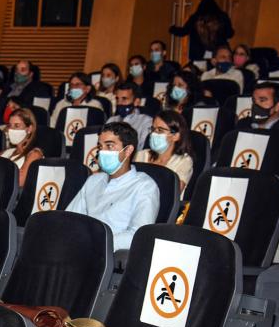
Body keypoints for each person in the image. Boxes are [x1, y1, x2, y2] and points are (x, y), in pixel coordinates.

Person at [66, 122, 159, 251]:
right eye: (100, 146)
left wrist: (96, 243)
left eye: (109, 146)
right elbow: (69, 218)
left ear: (128, 150)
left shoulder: (145, 186)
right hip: (76, 249)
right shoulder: (93, 181)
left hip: (107, 255)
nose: (102, 151)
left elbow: (138, 234)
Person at [134, 110, 194, 194]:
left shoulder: (184, 161)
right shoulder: (141, 155)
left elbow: (173, 192)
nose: (153, 134)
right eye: (153, 129)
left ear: (175, 136)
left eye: (160, 130)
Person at [169, 0, 235, 60]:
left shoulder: (195, 18)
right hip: (218, 54)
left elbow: (183, 32)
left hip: (199, 54)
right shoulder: (222, 17)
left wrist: (172, 29)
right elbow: (230, 33)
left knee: (199, 70)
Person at [0, 108, 43, 186]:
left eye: (17, 126)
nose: (11, 129)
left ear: (29, 129)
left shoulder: (34, 154)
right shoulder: (6, 152)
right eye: (10, 125)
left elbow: (20, 181)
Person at [106, 82, 152, 148]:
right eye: (117, 99)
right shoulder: (112, 120)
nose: (119, 103)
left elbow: (141, 148)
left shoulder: (146, 121)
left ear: (137, 102)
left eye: (124, 99)